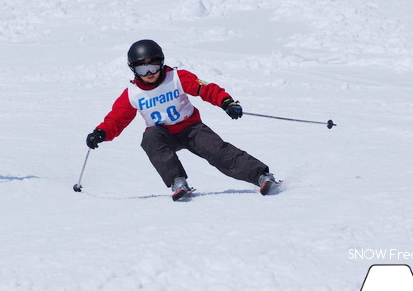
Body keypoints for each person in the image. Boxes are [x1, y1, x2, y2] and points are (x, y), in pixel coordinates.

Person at [85, 39, 280, 201]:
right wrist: (101, 133)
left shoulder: (177, 78)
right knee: (150, 138)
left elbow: (206, 89)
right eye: (143, 70)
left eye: (153, 67)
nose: (150, 74)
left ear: (161, 63)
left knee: (217, 151)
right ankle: (177, 181)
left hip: (190, 128)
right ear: (134, 70)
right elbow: (116, 119)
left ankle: (261, 176)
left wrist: (226, 102)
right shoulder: (132, 93)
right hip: (162, 134)